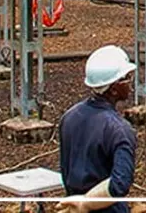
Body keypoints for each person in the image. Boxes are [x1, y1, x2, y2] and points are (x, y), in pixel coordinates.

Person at [57, 45, 139, 213]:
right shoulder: (119, 130)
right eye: (126, 78)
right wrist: (85, 204)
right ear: (114, 89)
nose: (130, 82)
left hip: (71, 206)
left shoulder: (69, 116)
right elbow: (119, 185)